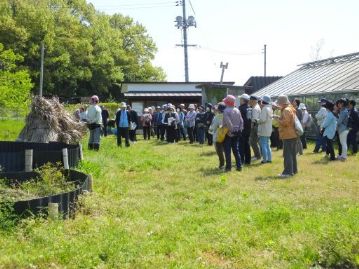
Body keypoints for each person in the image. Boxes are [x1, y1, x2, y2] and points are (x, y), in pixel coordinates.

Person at [276, 95, 298, 178]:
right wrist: (280, 117)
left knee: (287, 154)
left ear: (282, 103)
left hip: (288, 135)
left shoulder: (286, 110)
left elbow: (285, 123)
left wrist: (278, 119)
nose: (278, 105)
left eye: (279, 103)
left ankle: (287, 172)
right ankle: (294, 170)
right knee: (292, 154)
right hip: (292, 134)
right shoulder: (291, 108)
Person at [223, 95, 243, 172]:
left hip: (228, 133)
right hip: (237, 132)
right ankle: (239, 166)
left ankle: (228, 167)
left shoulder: (226, 111)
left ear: (227, 102)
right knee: (236, 150)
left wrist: (230, 131)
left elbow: (228, 123)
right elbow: (241, 122)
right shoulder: (237, 110)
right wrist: (239, 130)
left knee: (227, 151)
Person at [209, 102, 226, 169]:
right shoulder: (227, 115)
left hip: (218, 136)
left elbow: (213, 127)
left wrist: (210, 130)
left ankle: (222, 165)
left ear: (219, 109)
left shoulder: (217, 117)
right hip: (227, 135)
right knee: (226, 151)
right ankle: (228, 164)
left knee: (219, 151)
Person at [258, 95, 273, 164]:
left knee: (263, 144)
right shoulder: (270, 108)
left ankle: (264, 160)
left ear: (263, 101)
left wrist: (257, 120)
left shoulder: (264, 108)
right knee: (267, 144)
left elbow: (262, 119)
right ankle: (269, 159)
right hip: (269, 128)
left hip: (264, 129)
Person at [238, 94, 251, 165]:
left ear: (243, 100)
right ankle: (248, 160)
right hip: (248, 128)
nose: (240, 100)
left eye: (240, 99)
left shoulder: (240, 108)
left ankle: (241, 160)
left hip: (242, 129)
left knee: (241, 145)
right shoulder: (249, 107)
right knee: (247, 144)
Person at [249, 96, 261, 160]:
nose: (249, 102)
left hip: (254, 126)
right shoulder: (256, 107)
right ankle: (257, 155)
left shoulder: (255, 108)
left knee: (253, 142)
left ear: (253, 101)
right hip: (256, 125)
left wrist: (251, 125)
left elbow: (254, 119)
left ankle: (257, 156)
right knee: (254, 142)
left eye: (250, 100)